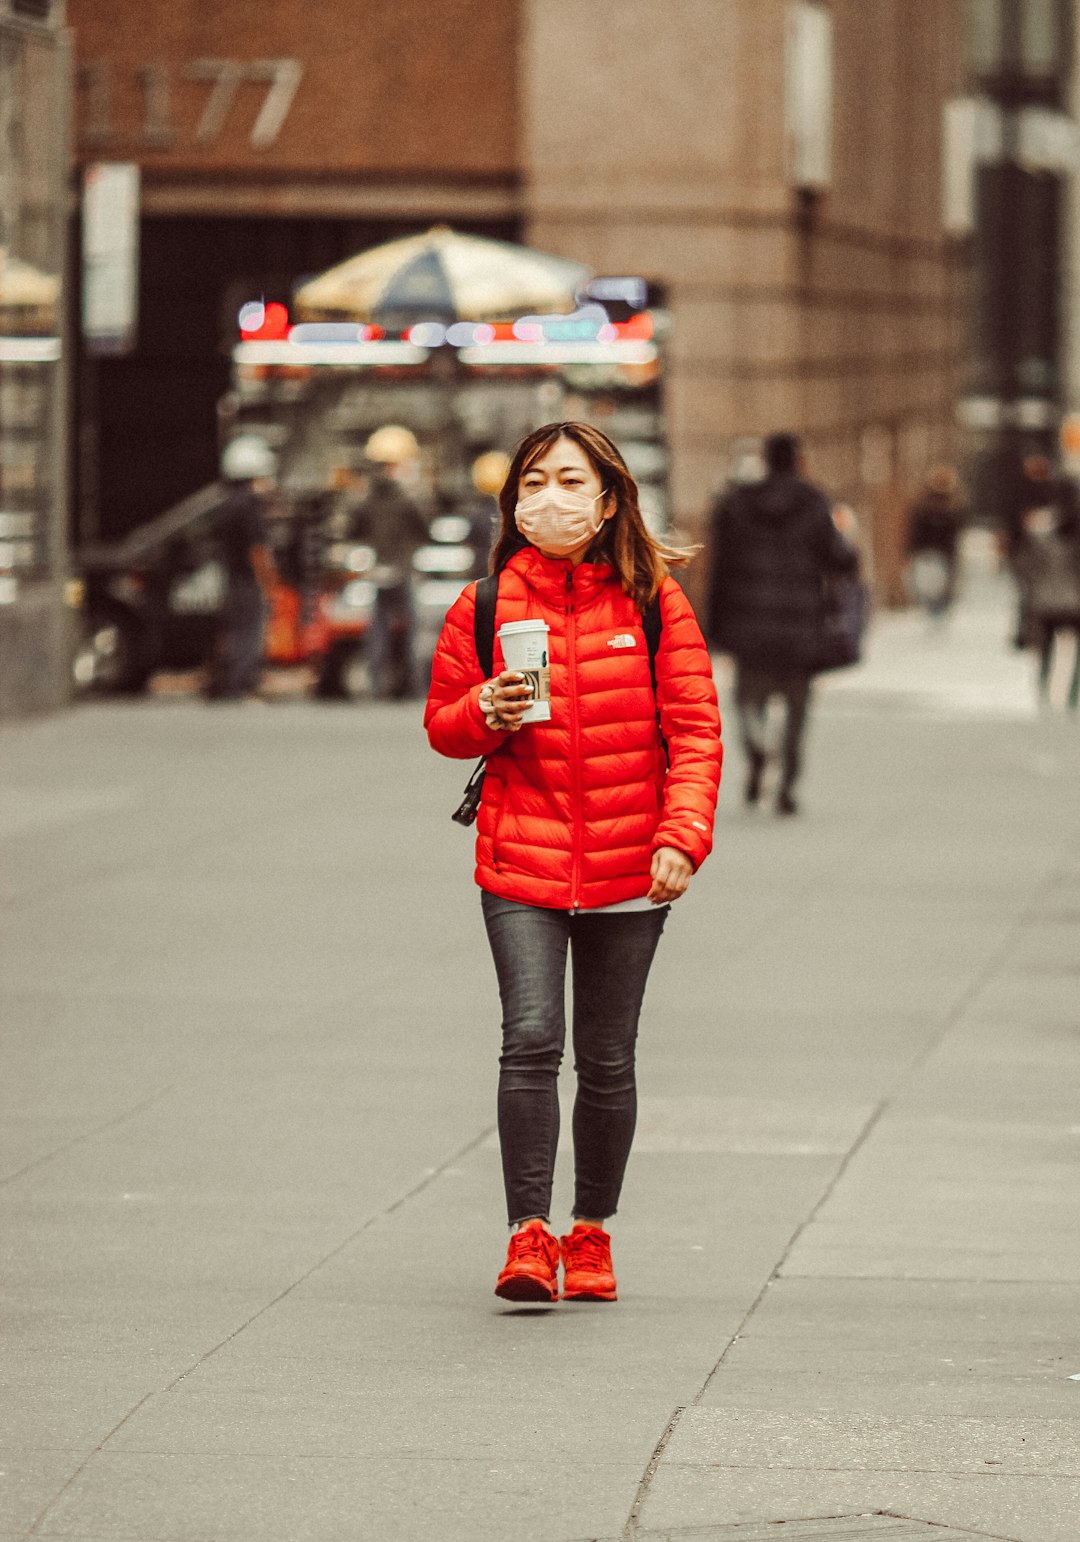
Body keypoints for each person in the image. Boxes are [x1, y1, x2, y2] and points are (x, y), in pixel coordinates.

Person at [424, 422, 722, 1305]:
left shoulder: (652, 602)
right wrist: (486, 706)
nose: (548, 496)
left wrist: (681, 836)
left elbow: (697, 730)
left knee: (608, 1056)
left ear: (608, 498)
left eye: (568, 480)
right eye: (533, 481)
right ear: (513, 501)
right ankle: (527, 1235)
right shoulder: (482, 606)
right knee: (530, 1041)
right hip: (522, 856)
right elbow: (443, 727)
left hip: (633, 863)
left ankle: (591, 1234)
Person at [705, 431, 857, 815]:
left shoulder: (736, 504)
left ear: (766, 459)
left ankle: (757, 748)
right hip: (800, 626)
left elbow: (718, 570)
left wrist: (714, 627)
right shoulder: (813, 502)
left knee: (746, 699)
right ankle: (787, 785)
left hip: (747, 624)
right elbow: (840, 559)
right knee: (796, 709)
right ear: (797, 459)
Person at [347, 425, 430, 697]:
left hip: (378, 570)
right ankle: (414, 685)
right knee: (411, 628)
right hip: (403, 569)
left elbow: (353, 529)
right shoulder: (407, 497)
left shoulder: (366, 498)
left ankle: (375, 684)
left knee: (378, 629)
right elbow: (424, 528)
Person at [206, 434, 279, 701]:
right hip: (247, 579)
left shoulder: (226, 502)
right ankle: (242, 685)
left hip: (230, 576)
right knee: (250, 631)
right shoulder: (249, 505)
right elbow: (258, 550)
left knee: (234, 631)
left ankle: (228, 683)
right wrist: (270, 583)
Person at [1012, 499, 1080, 710]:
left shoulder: (1038, 542)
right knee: (1074, 652)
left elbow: (1022, 568)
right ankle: (1071, 694)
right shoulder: (1074, 546)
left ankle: (1043, 691)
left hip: (1044, 603)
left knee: (1046, 650)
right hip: (1073, 604)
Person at [905, 465, 968, 617]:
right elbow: (915, 528)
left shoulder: (954, 504)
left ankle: (940, 609)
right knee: (928, 586)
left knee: (941, 585)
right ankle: (931, 610)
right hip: (927, 551)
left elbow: (956, 529)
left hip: (944, 551)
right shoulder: (923, 504)